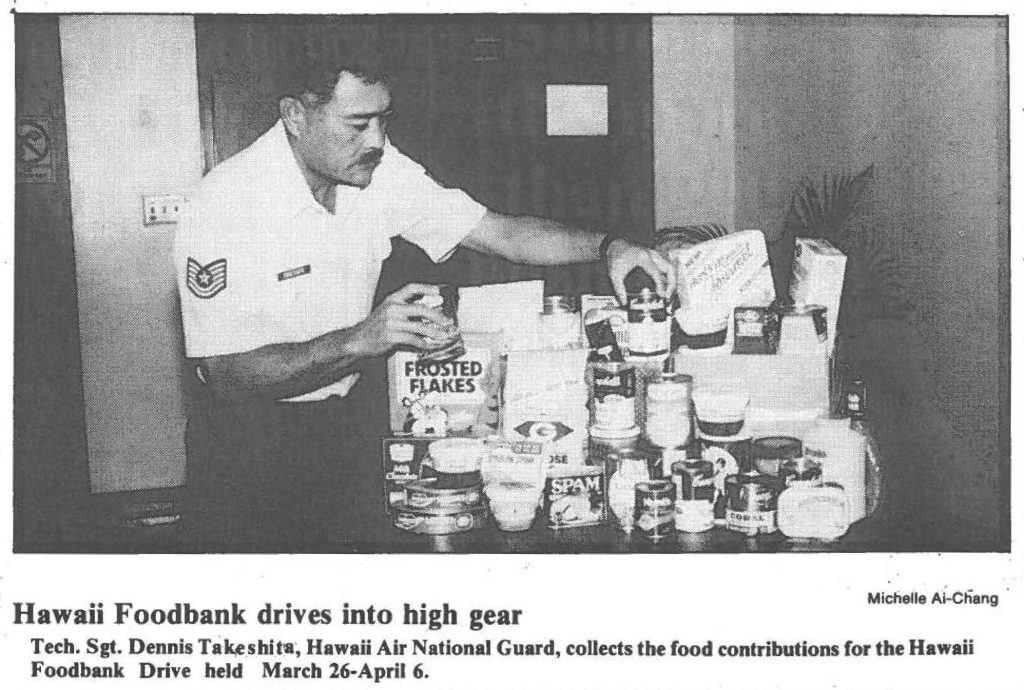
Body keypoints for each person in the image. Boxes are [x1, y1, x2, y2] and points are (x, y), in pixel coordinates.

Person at [174, 61, 673, 552]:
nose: (375, 141)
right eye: (356, 124)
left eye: (383, 120)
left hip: (345, 426)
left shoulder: (376, 169)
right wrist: (361, 339)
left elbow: (498, 231)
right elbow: (226, 374)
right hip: (249, 443)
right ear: (295, 115)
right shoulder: (226, 204)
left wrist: (610, 247)